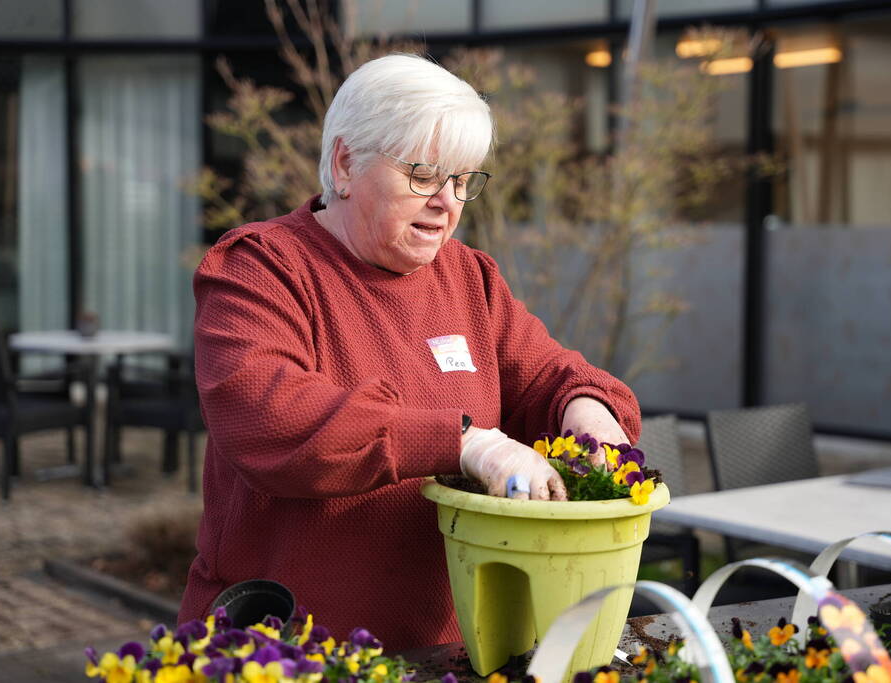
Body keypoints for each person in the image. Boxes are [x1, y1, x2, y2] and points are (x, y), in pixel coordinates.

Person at [180, 54, 641, 649]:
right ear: (346, 164)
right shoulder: (259, 269)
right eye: (423, 174)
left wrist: (587, 410)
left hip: (451, 643)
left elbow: (550, 376)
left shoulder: (469, 277)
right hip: (289, 645)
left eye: (462, 181)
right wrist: (469, 442)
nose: (446, 201)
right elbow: (270, 418)